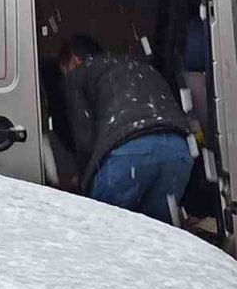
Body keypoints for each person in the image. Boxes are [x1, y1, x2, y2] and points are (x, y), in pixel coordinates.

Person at [58, 35, 194, 225]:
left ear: (74, 60)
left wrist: (82, 183)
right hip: (178, 150)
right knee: (158, 237)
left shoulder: (80, 73)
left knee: (105, 234)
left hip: (128, 153)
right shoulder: (141, 66)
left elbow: (84, 138)